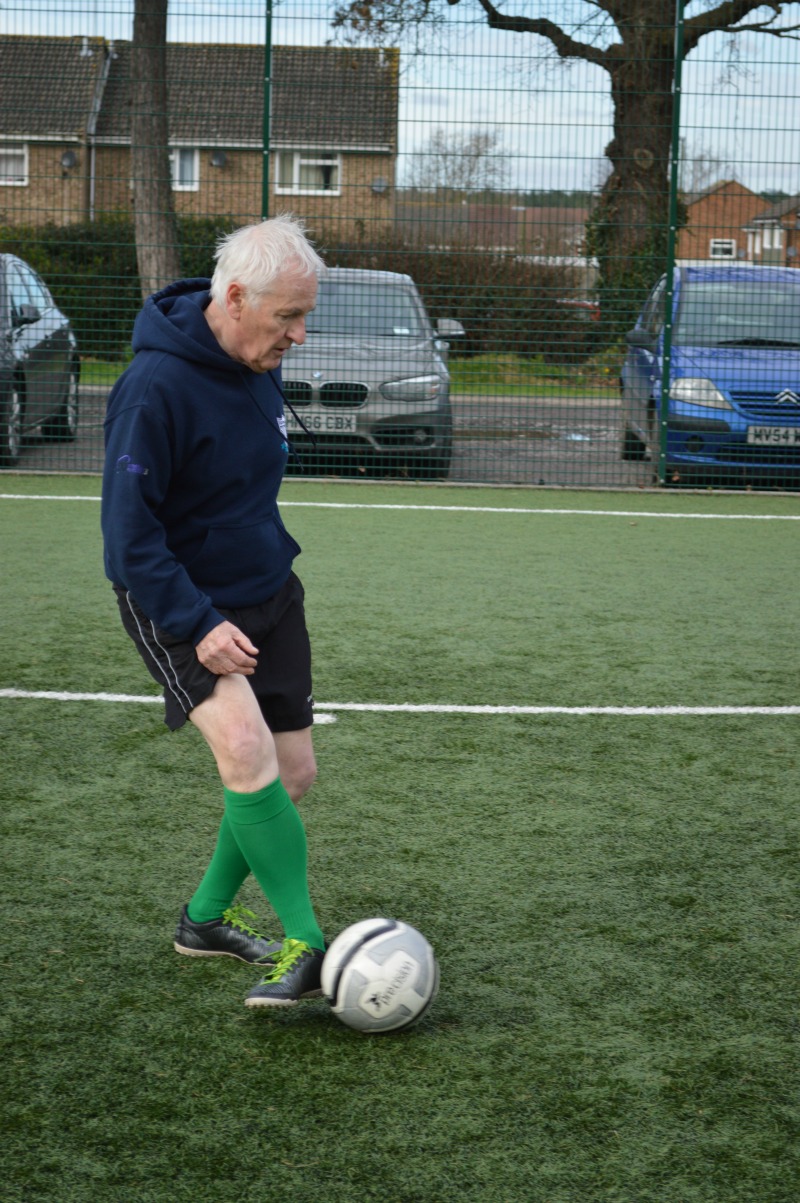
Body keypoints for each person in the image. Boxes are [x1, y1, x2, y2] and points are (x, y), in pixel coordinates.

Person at [101, 214, 327, 1008]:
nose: (298, 336)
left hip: (269, 592)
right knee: (244, 749)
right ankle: (309, 945)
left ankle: (202, 920)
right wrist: (198, 622)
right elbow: (127, 537)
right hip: (181, 606)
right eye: (287, 318)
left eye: (305, 316)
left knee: (290, 773)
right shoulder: (153, 389)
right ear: (233, 297)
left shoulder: (254, 358)